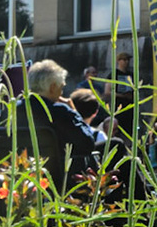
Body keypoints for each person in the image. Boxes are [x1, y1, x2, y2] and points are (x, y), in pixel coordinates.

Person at [15, 59, 107, 193]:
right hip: (61, 177)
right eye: (61, 87)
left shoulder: (13, 110)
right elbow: (88, 143)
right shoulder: (60, 111)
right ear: (52, 87)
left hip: (23, 176)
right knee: (117, 143)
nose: (62, 92)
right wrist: (74, 112)